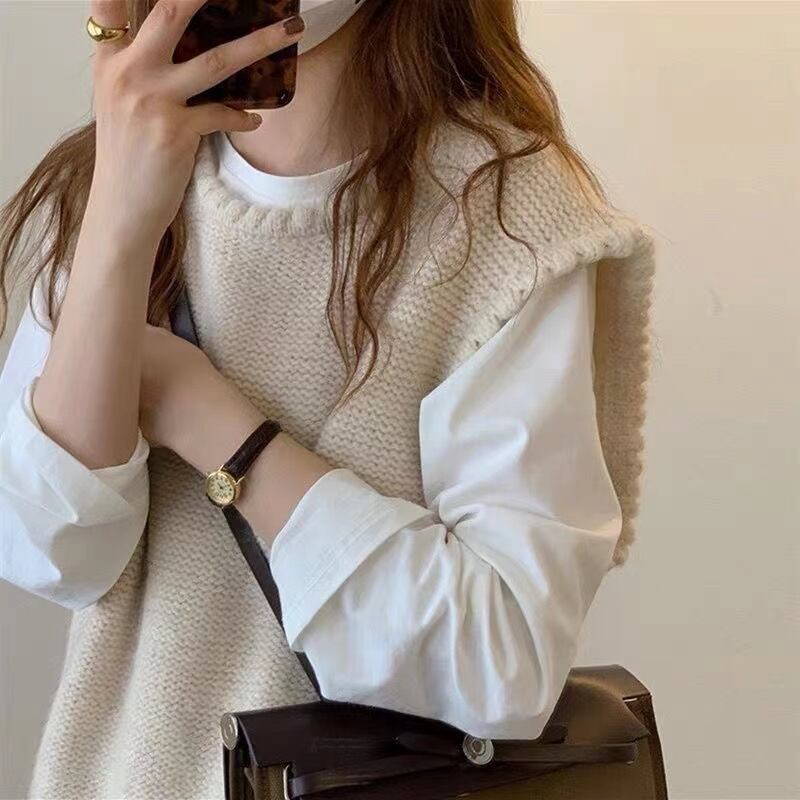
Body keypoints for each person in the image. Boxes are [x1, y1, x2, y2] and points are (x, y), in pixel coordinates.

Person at [0, 0, 657, 797]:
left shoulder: (504, 214)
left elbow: (503, 660)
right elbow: (53, 550)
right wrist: (118, 215)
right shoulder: (123, 161)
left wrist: (211, 421)